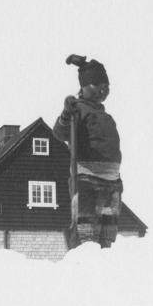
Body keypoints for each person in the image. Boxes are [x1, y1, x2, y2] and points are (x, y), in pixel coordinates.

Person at [54, 54, 122, 248]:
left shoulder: (105, 115)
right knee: (86, 230)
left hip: (111, 181)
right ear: (84, 86)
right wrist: (66, 114)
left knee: (107, 231)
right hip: (87, 179)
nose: (103, 90)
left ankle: (105, 262)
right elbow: (60, 132)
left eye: (106, 86)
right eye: (97, 84)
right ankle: (84, 264)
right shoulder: (78, 109)